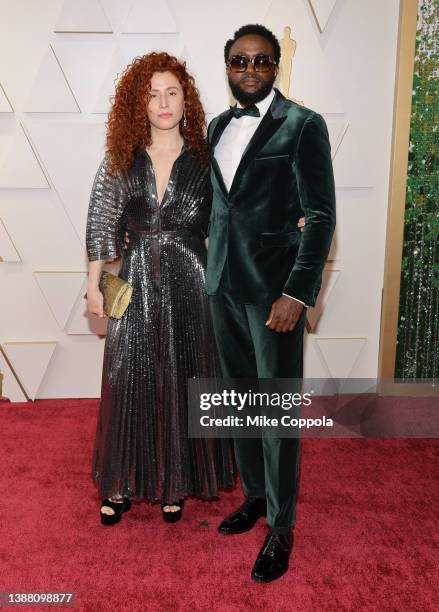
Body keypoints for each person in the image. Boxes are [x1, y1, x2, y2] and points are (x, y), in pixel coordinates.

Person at [205, 24, 336, 582]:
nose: (250, 69)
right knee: (240, 401)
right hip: (223, 289)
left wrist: (298, 292)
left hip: (274, 295)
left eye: (262, 60)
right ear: (228, 66)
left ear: (276, 66)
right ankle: (256, 496)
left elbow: (321, 216)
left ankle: (281, 528)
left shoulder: (304, 125)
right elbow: (222, 209)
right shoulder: (216, 125)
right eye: (240, 61)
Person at [85, 52, 236, 525]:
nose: (163, 102)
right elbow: (100, 225)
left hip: (193, 283)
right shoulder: (121, 159)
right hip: (131, 281)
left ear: (185, 100)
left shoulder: (205, 161)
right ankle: (121, 482)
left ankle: (176, 481)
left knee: (185, 377)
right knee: (126, 377)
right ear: (139, 104)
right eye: (152, 94)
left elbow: (228, 223)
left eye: (172, 92)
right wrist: (93, 286)